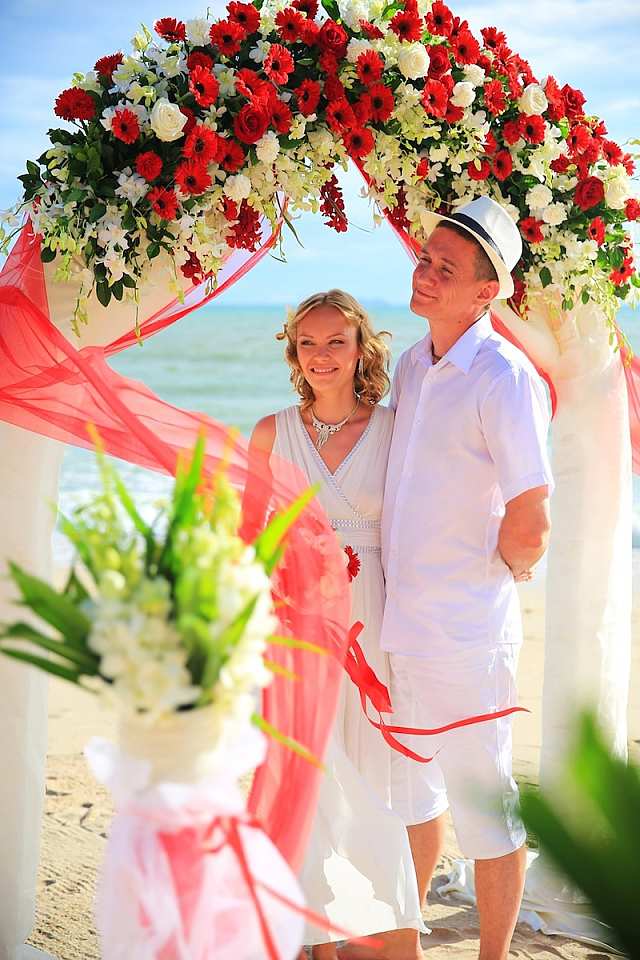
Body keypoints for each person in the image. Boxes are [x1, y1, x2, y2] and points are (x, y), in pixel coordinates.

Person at [381, 196, 553, 960]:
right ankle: (404, 942)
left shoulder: (504, 376)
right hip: (401, 626)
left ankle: (492, 956)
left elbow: (531, 515)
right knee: (413, 795)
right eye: (424, 258)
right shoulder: (412, 365)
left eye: (444, 269)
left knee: (488, 810)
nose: (423, 274)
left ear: (486, 291)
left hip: (465, 634)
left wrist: (497, 576)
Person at [249, 290, 425, 960]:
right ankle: (315, 938)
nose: (320, 356)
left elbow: (427, 518)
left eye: (335, 342)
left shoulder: (394, 428)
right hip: (296, 620)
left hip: (372, 617)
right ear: (293, 352)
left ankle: (378, 931)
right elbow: (247, 538)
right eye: (308, 343)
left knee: (370, 775)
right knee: (308, 773)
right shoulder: (271, 432)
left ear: (361, 351)